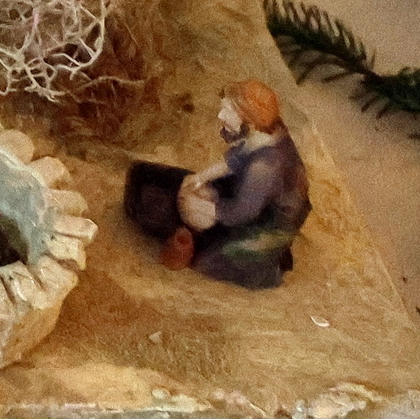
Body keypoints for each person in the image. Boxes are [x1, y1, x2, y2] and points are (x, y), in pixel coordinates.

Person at [124, 80, 313, 290]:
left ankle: (267, 263)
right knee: (145, 175)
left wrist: (202, 208)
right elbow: (237, 158)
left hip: (265, 222)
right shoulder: (264, 132)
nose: (220, 115)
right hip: (249, 195)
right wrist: (200, 178)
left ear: (249, 120)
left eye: (228, 111)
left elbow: (240, 212)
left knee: (206, 261)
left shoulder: (263, 168)